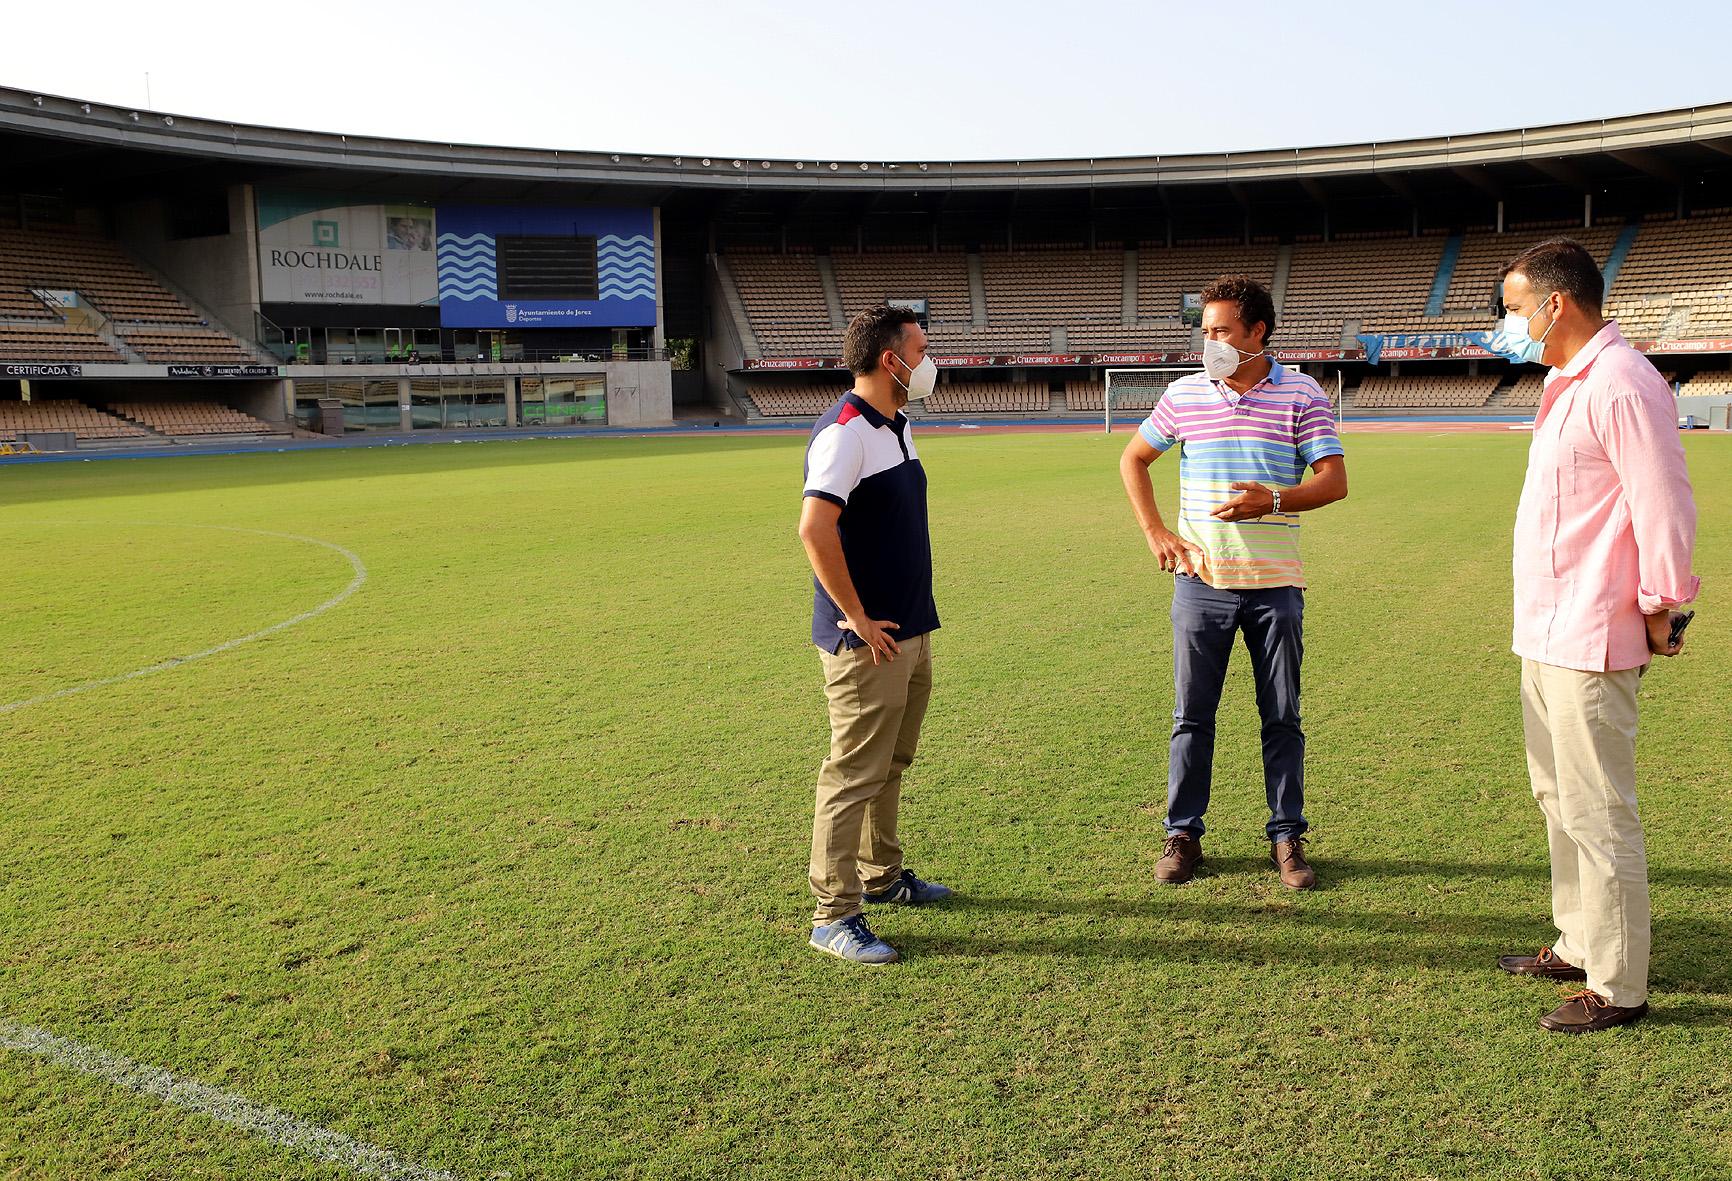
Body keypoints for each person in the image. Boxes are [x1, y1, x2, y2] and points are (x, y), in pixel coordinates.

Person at [1488, 238, 1699, 1033]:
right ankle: (1578, 940)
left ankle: (1618, 984)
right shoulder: (1565, 381)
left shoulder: (1620, 381)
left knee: (1601, 807)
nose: (1506, 325)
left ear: (1556, 304)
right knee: (1558, 798)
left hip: (1594, 627)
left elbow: (1663, 501)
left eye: (1513, 309)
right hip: (1546, 627)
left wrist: (1663, 603)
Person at [1119, 275, 1347, 889]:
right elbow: (1133, 458)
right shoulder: (1185, 395)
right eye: (1205, 330)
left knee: (1282, 716)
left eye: (1221, 331)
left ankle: (1287, 837)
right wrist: (1155, 533)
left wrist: (1272, 499)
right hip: (1201, 582)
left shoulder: (1302, 394)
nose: (1208, 341)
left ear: (1257, 332)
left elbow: (1333, 481)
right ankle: (1183, 834)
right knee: (1191, 717)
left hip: (1276, 586)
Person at [798, 303, 952, 965]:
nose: (927, 360)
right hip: (868, 642)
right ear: (892, 360)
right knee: (852, 773)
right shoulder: (845, 431)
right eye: (921, 347)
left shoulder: (896, 425)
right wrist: (858, 619)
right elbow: (814, 529)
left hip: (911, 629)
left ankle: (881, 875)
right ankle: (833, 913)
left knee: (891, 763)